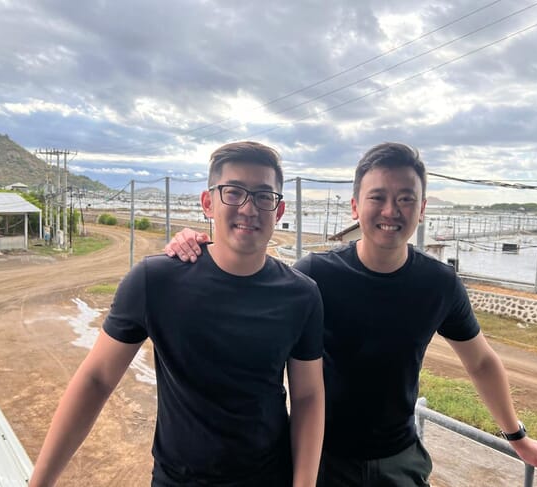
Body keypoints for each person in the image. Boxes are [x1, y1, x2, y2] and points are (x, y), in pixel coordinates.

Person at [166, 142, 537, 486]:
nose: (391, 210)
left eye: (406, 198)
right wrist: (199, 248)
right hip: (318, 459)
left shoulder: (438, 284)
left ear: (422, 208)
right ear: (356, 205)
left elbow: (480, 361)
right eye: (378, 197)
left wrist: (517, 437)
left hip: (399, 460)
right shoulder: (314, 276)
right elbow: (247, 285)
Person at [30, 141, 325, 487]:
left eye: (263, 196)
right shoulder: (156, 281)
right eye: (233, 192)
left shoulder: (301, 295)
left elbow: (307, 396)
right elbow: (96, 379)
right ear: (207, 203)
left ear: (279, 210)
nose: (249, 207)